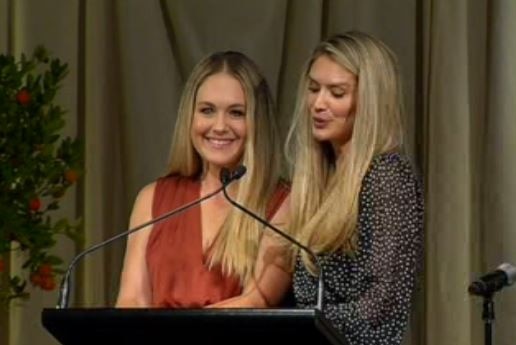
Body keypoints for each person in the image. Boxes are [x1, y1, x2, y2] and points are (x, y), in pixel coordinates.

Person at [116, 51, 291, 308]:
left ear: (258, 121)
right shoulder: (152, 198)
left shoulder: (283, 202)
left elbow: (254, 302)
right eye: (207, 111)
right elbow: (131, 300)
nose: (219, 126)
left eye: (236, 113)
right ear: (190, 117)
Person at [285, 31, 424, 344]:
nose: (318, 104)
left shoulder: (387, 176)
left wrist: (298, 326)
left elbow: (383, 305)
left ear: (370, 101)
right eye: (313, 89)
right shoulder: (318, 180)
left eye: (336, 92)